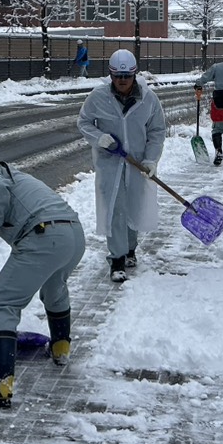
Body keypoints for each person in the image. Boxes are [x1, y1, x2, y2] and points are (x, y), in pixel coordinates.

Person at [0, 150, 86, 409]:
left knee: (3, 305)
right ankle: (60, 349)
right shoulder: (13, 174)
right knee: (54, 288)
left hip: (44, 234)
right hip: (72, 234)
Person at [77, 48, 166, 283]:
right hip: (110, 163)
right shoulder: (98, 96)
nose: (123, 81)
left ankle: (130, 249)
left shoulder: (148, 99)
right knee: (115, 209)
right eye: (118, 76)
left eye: (127, 77)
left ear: (135, 74)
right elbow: (84, 121)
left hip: (137, 162)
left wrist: (150, 159)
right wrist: (99, 138)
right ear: (111, 74)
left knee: (133, 206)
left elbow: (157, 131)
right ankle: (116, 259)